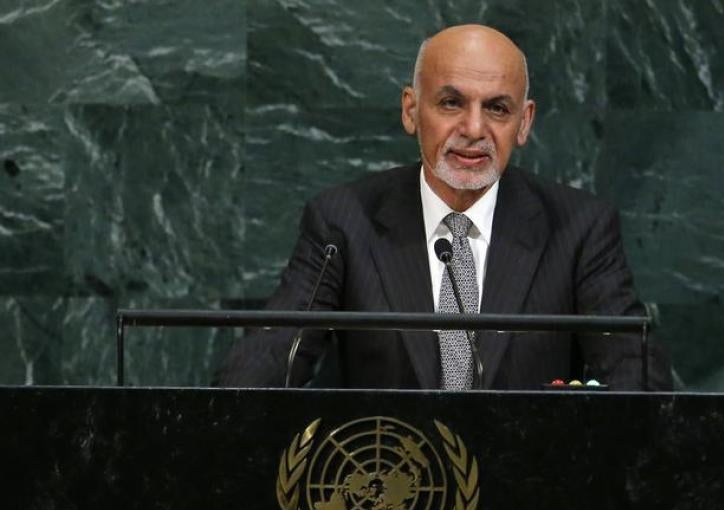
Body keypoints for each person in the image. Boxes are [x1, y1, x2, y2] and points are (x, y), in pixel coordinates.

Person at [216, 24, 671, 390]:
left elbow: (638, 380)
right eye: (451, 103)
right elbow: (265, 365)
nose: (473, 128)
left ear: (524, 122)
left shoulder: (579, 229)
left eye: (496, 109)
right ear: (411, 110)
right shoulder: (342, 222)